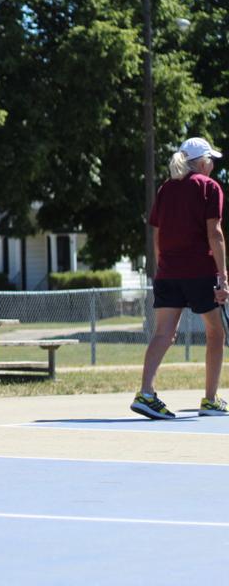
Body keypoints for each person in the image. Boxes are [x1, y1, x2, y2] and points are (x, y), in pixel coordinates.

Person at [131, 136, 229, 420]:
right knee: (216, 333)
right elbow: (215, 233)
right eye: (211, 160)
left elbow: (157, 234)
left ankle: (146, 393)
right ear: (201, 163)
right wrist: (223, 276)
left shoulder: (166, 189)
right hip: (200, 271)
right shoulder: (210, 187)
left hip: (168, 272)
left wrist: (162, 265)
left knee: (163, 333)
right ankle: (210, 400)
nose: (213, 165)